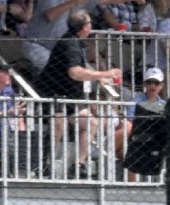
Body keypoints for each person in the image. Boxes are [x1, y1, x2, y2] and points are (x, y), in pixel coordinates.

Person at [38, 10, 121, 178]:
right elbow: (75, 72)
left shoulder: (77, 43)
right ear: (83, 28)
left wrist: (98, 79)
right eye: (89, 24)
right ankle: (45, 163)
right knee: (58, 123)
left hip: (70, 97)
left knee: (91, 123)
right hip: (53, 95)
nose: (91, 26)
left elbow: (81, 68)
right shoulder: (69, 44)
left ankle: (78, 165)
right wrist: (104, 74)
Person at [22, 0, 103, 73]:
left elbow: (102, 0)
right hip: (38, 45)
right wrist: (74, 1)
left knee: (80, 71)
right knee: (55, 73)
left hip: (56, 48)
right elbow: (50, 15)